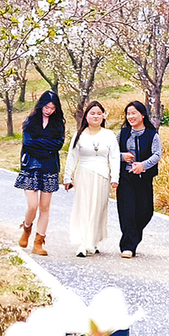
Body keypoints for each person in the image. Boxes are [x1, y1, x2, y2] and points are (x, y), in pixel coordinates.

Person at [63, 101, 120, 257]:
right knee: (83, 207)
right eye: (92, 113)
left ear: (103, 116)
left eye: (98, 113)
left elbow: (114, 157)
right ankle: (82, 243)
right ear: (86, 116)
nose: (95, 116)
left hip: (102, 175)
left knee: (98, 208)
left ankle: (93, 241)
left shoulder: (108, 135)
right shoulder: (79, 135)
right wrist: (67, 177)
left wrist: (115, 177)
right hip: (84, 174)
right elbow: (72, 157)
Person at [15, 91, 65, 256]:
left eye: (52, 108)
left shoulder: (58, 124)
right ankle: (27, 228)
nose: (49, 110)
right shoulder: (31, 121)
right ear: (40, 105)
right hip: (31, 167)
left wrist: (41, 145)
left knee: (45, 207)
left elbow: (57, 144)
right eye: (46, 106)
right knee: (33, 205)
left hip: (49, 168)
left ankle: (39, 241)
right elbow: (28, 143)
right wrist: (46, 147)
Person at [116, 101, 162, 258]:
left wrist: (143, 165)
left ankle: (133, 237)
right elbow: (113, 153)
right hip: (126, 178)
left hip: (144, 178)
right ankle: (128, 246)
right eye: (128, 113)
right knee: (127, 211)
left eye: (133, 113)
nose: (130, 116)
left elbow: (157, 154)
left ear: (142, 114)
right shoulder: (122, 134)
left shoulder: (151, 134)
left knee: (145, 211)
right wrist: (123, 157)